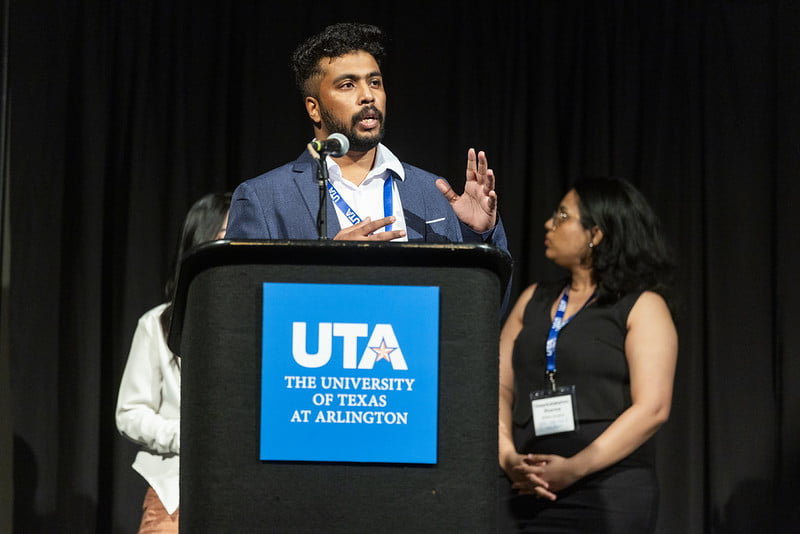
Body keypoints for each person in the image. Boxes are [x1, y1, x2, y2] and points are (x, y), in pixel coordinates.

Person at [224, 22, 507, 256]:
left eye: (374, 82)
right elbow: (243, 306)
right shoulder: (264, 199)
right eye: (347, 85)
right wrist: (327, 266)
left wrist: (478, 234)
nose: (368, 95)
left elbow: (476, 310)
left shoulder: (432, 193)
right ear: (314, 108)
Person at [498, 177, 678, 533]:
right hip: (527, 486)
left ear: (595, 234)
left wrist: (574, 468)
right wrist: (507, 458)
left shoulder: (642, 306)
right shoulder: (532, 300)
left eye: (563, 216)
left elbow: (653, 408)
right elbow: (496, 387)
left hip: (608, 491)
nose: (549, 224)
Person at [115, 192, 231, 534]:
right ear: (201, 242)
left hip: (246, 492)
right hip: (174, 494)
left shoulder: (264, 319)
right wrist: (189, 437)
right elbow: (130, 412)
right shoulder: (157, 323)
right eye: (225, 234)